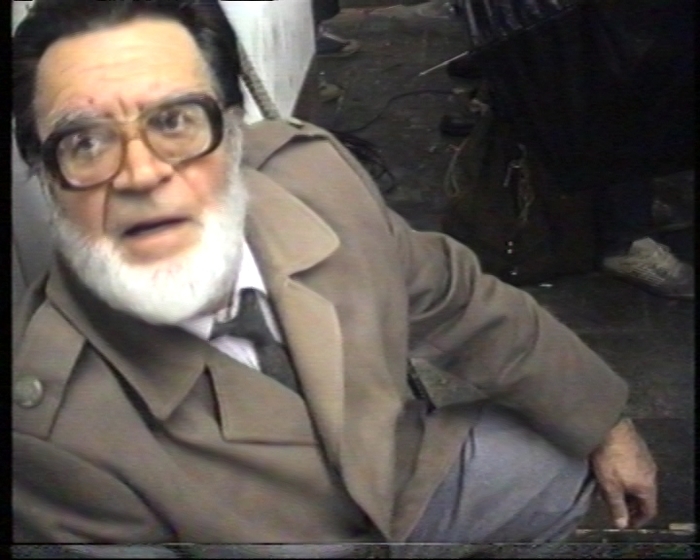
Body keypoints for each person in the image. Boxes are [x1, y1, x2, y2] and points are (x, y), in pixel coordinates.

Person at [12, 0, 657, 552]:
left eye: (174, 120)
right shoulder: (53, 437)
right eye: (85, 142)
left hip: (404, 479)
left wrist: (606, 422)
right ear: (45, 179)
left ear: (234, 131)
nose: (141, 174)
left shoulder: (316, 177)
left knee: (558, 459)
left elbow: (461, 302)